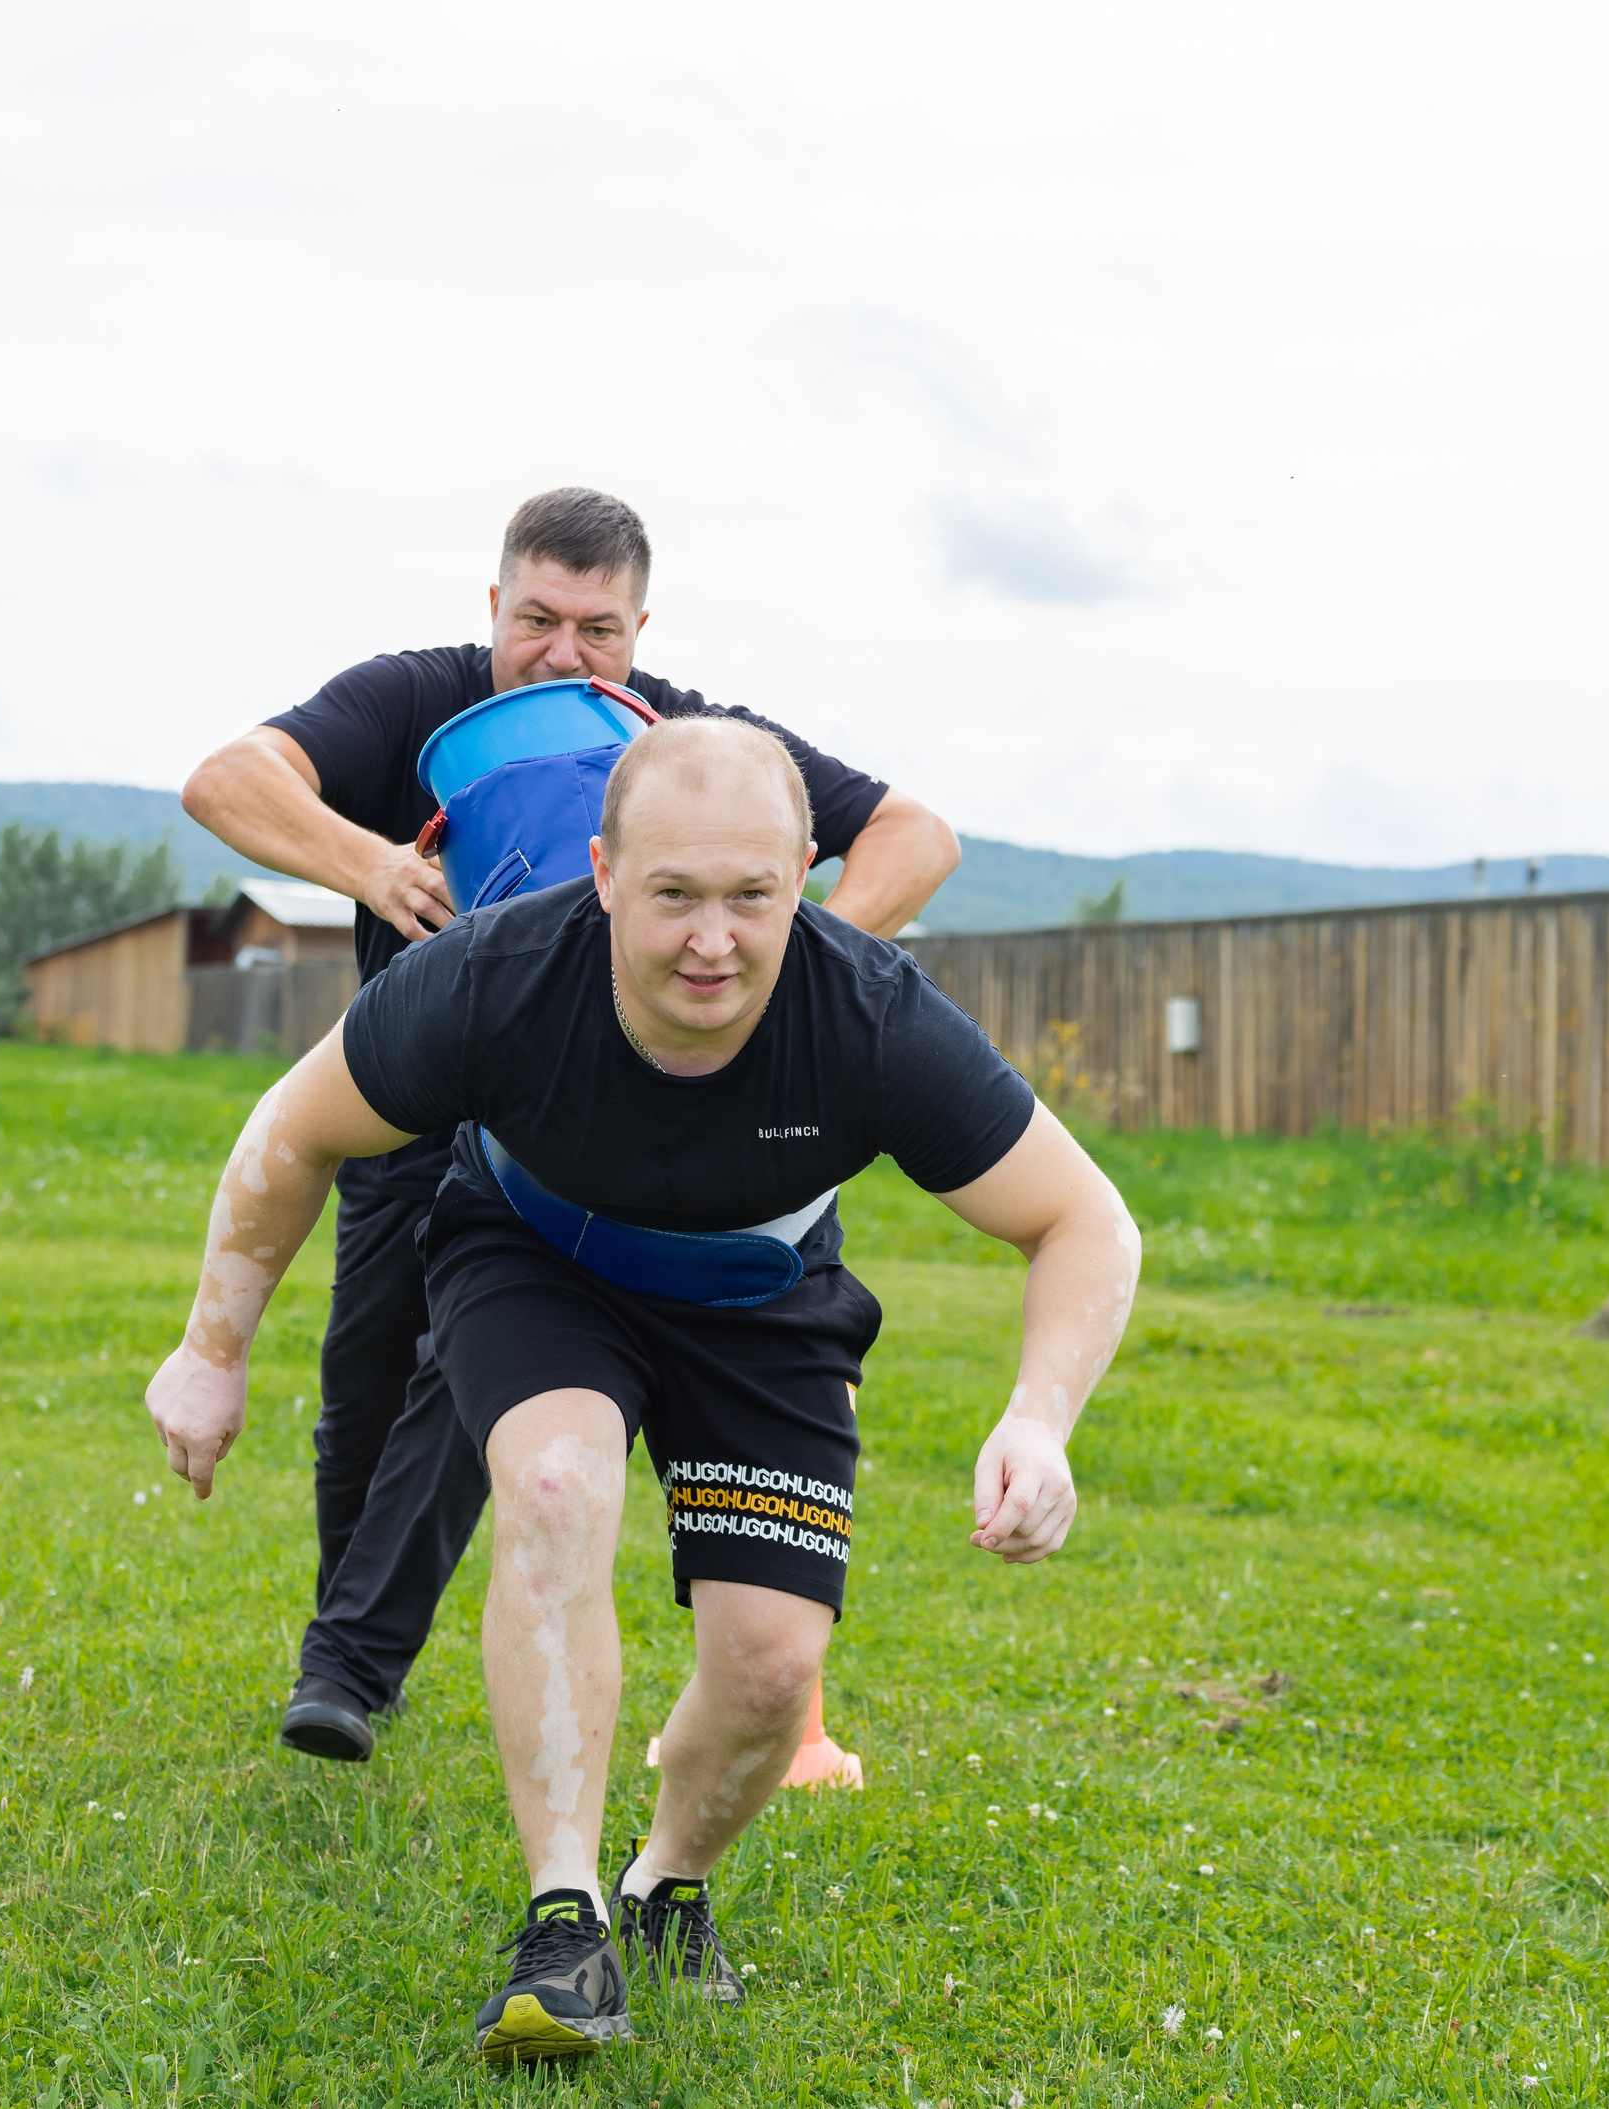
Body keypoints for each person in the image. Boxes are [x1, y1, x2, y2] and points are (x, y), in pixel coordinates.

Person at [147, 716, 1138, 2061]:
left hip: (761, 1296)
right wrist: (211, 1353)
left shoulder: (868, 1015)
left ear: (802, 876)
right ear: (606, 872)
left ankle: (663, 1883)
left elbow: (1082, 1220)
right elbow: (294, 1131)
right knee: (556, 1487)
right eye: (673, 895)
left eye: (752, 897)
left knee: (772, 1665)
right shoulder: (491, 979)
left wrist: (1040, 1417)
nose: (712, 941)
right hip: (540, 1258)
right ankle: (562, 1921)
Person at [180, 487, 961, 1761]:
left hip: (572, 1119)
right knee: (362, 1384)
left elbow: (913, 835)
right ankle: (351, 1655)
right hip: (406, 1093)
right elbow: (227, 781)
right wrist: (370, 864)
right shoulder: (415, 698)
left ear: (640, 630)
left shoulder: (686, 747)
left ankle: (347, 1665)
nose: (562, 654)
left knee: (462, 1359)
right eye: (536, 619)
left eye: (598, 631)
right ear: (494, 605)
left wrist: (798, 965)